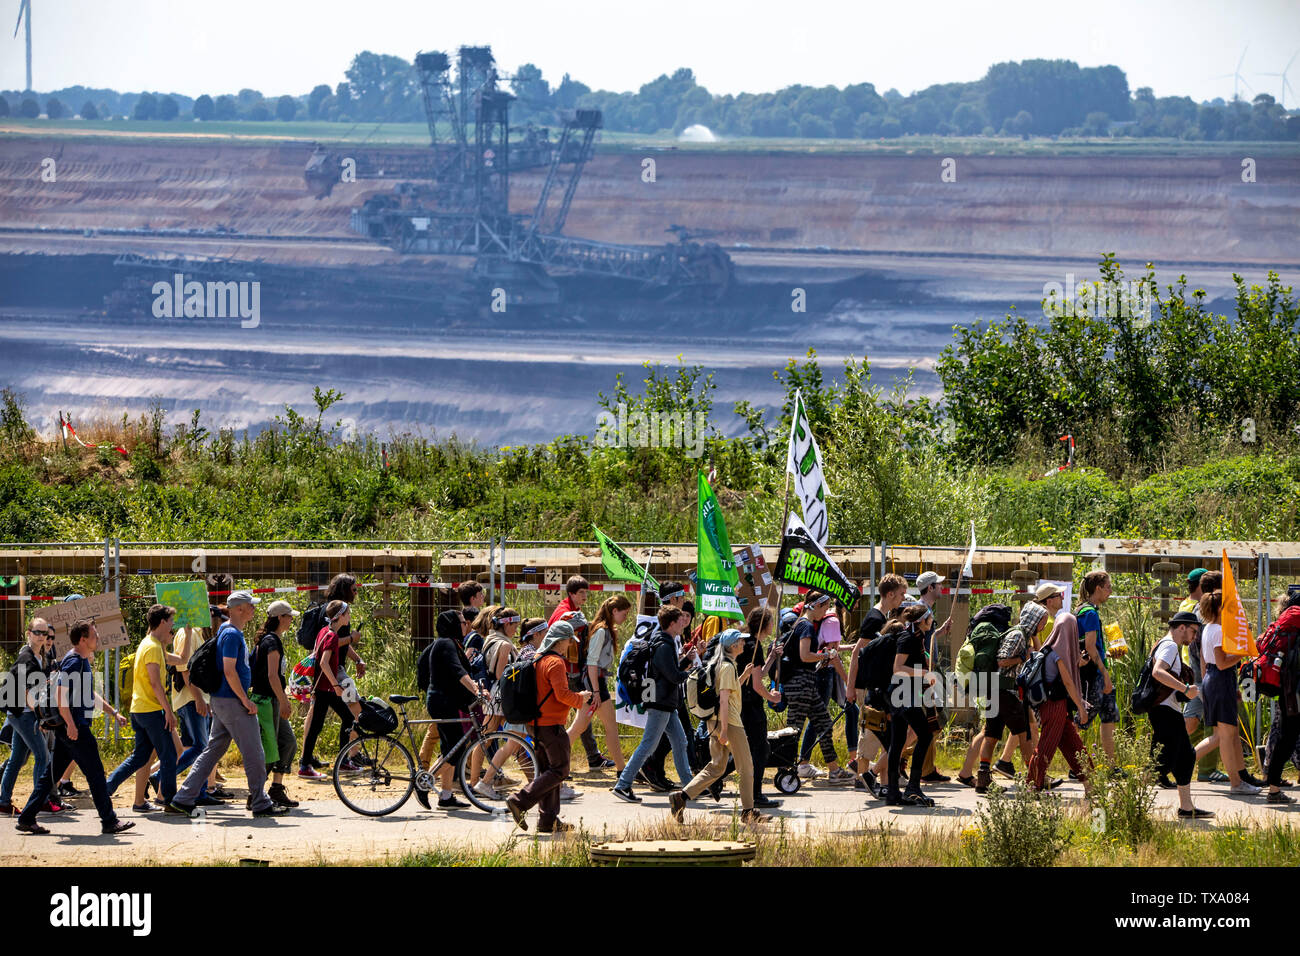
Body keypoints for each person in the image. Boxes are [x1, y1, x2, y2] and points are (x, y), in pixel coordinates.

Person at [166, 591, 289, 818]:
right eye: (250, 605)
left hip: (223, 701)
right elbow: (229, 671)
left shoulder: (228, 631)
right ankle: (260, 802)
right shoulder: (231, 634)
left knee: (213, 751)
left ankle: (182, 798)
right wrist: (245, 700)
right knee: (254, 752)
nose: (254, 609)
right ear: (239, 609)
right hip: (233, 702)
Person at [669, 628, 769, 825]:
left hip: (715, 722)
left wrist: (745, 675)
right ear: (732, 646)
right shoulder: (727, 667)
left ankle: (681, 797)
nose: (744, 644)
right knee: (747, 766)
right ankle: (748, 811)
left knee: (717, 767)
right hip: (729, 723)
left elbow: (728, 692)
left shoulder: (721, 664)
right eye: (740, 641)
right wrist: (724, 731)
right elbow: (724, 700)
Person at [505, 620, 591, 833]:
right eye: (570, 640)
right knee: (560, 770)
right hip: (551, 725)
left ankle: (547, 821)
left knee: (547, 770)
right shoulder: (556, 662)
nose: (571, 645)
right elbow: (562, 695)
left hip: (534, 724)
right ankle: (520, 801)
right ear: (560, 641)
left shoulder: (537, 659)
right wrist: (581, 698)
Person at [54, 621, 135, 835]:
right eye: (94, 635)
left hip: (73, 726)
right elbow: (60, 696)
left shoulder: (82, 661)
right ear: (83, 639)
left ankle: (26, 816)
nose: (97, 638)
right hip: (76, 728)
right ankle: (109, 821)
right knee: (97, 775)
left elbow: (89, 694)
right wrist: (71, 724)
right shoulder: (73, 662)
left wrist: (114, 713)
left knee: (50, 774)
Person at [610, 606, 697, 802]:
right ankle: (623, 785)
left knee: (680, 741)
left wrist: (686, 661)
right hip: (661, 702)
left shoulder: (665, 642)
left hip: (665, 702)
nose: (684, 622)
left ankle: (690, 787)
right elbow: (673, 676)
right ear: (672, 623)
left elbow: (669, 671)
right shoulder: (664, 646)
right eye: (680, 619)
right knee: (648, 745)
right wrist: (691, 674)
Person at [105, 603, 180, 811]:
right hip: (151, 710)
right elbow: (155, 683)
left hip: (139, 710)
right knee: (169, 755)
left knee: (140, 756)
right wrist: (168, 711)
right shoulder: (154, 647)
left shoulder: (147, 643)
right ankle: (171, 801)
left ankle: (107, 787)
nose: (173, 624)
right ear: (163, 622)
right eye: (171, 621)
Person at [972, 601, 1050, 793]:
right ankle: (1034, 779)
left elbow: (1038, 655)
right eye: (1041, 621)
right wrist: (1022, 658)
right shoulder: (1017, 635)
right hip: (1006, 692)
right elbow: (1002, 660)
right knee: (1024, 735)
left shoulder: (1023, 635)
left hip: (998, 691)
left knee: (992, 735)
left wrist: (1033, 640)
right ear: (1033, 620)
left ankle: (983, 779)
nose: (1043, 626)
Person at [151, 605, 225, 806]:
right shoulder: (187, 635)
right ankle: (162, 776)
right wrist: (199, 699)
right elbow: (185, 669)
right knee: (201, 747)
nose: (216, 623)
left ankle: (198, 791)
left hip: (196, 698)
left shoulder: (195, 633)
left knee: (196, 746)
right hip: (191, 699)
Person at [422, 608, 490, 810]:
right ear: (452, 624)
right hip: (442, 702)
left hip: (447, 701)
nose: (466, 625)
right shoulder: (446, 643)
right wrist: (476, 689)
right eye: (462, 622)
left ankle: (446, 795)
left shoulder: (452, 643)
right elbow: (457, 670)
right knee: (456, 748)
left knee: (451, 747)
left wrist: (476, 687)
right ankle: (425, 783)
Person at [1148, 610, 1214, 817]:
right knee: (1161, 762)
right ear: (1182, 627)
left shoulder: (1165, 644)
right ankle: (1125, 800)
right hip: (1165, 710)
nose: (1194, 637)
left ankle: (1186, 808)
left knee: (1186, 756)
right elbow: (1158, 672)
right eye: (1193, 632)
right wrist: (1185, 689)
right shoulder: (1169, 646)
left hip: (1167, 709)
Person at [1195, 589, 1260, 795]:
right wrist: (1243, 652)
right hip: (1219, 679)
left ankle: (1179, 763)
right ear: (1220, 608)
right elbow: (1222, 664)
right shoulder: (1217, 631)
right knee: (1226, 735)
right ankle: (1236, 783)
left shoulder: (1208, 629)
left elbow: (1208, 663)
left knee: (1220, 736)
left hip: (1214, 681)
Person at [785, 592, 852, 783]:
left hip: (806, 683)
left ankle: (834, 770)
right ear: (815, 606)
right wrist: (825, 655)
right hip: (801, 683)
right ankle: (787, 767)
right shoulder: (806, 625)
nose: (825, 612)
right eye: (825, 607)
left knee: (823, 723)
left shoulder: (801, 624)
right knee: (794, 729)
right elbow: (805, 656)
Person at [849, 574, 907, 794]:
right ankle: (861, 778)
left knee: (884, 734)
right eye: (901, 594)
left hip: (878, 686)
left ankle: (884, 783)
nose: (903, 599)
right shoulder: (875, 618)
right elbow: (858, 653)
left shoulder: (883, 617)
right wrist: (850, 687)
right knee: (871, 732)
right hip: (867, 686)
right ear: (890, 594)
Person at [1, 617, 58, 832]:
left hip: (18, 713)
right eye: (37, 632)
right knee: (43, 756)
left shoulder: (40, 655)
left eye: (45, 634)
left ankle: (3, 802)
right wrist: (40, 717)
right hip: (22, 714)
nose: (41, 637)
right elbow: (26, 691)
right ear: (28, 633)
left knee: (16, 758)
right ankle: (37, 804)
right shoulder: (27, 657)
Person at [1026, 610, 1094, 791]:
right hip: (1054, 706)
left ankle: (1091, 784)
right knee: (1046, 746)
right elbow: (1068, 682)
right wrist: (1081, 707)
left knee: (1074, 745)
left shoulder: (1051, 649)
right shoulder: (1059, 654)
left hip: (1054, 706)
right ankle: (1032, 786)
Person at [641, 581, 699, 791]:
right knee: (675, 736)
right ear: (673, 599)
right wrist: (683, 670)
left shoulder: (666, 624)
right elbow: (664, 664)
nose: (684, 600)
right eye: (681, 597)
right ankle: (646, 769)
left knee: (677, 736)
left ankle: (656, 770)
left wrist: (685, 657)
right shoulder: (664, 626)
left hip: (670, 690)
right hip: (665, 691)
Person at [548, 576, 610, 771]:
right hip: (566, 671)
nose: (585, 596)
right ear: (571, 594)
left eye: (586, 592)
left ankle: (592, 757)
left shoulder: (574, 611)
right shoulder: (564, 613)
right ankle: (554, 761)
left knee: (582, 716)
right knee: (575, 718)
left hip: (571, 671)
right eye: (581, 593)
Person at [297, 600, 363, 779]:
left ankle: (307, 764)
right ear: (340, 616)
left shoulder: (324, 632)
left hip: (323, 689)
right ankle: (339, 762)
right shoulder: (332, 636)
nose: (349, 617)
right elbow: (324, 662)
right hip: (326, 689)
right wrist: (336, 685)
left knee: (320, 725)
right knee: (348, 719)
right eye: (347, 614)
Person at [567, 595, 631, 775]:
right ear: (614, 611)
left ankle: (551, 762)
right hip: (595, 684)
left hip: (594, 683)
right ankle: (622, 770)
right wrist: (596, 691)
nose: (625, 618)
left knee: (577, 728)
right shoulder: (602, 631)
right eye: (624, 614)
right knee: (610, 727)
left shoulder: (604, 630)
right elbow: (592, 663)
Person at [884, 603, 939, 806]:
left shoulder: (917, 637)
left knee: (897, 743)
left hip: (904, 694)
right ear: (921, 620)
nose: (932, 621)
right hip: (902, 695)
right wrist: (923, 673)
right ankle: (913, 788)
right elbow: (898, 668)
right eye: (930, 617)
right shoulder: (908, 638)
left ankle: (893, 793)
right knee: (925, 735)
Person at [250, 601, 300, 808]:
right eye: (289, 616)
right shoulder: (271, 642)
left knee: (287, 743)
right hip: (266, 702)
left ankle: (276, 789)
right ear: (280, 617)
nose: (291, 620)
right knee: (269, 751)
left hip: (272, 701)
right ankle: (256, 795)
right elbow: (272, 676)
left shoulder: (272, 640)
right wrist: (284, 701)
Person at [739, 607, 783, 809]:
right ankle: (755, 793)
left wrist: (771, 657)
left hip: (740, 702)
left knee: (745, 748)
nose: (773, 625)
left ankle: (715, 779)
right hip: (751, 706)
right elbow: (757, 685)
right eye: (771, 622)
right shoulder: (754, 645)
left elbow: (758, 674)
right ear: (765, 625)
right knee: (760, 749)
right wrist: (771, 695)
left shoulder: (745, 642)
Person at [1076, 570, 1119, 765]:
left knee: (1109, 716)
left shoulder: (1086, 610)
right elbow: (1089, 646)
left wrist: (1106, 654)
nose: (1110, 591)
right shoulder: (1090, 613)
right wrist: (1105, 673)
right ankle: (1075, 761)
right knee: (1083, 717)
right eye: (1108, 587)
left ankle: (1111, 764)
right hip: (1094, 675)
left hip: (1098, 668)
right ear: (1098, 588)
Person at [1263, 589, 1300, 804]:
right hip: (1296, 689)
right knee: (1288, 739)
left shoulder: (1286, 627)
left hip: (1286, 690)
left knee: (1286, 738)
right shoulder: (1295, 627)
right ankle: (1274, 791)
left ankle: (1274, 789)